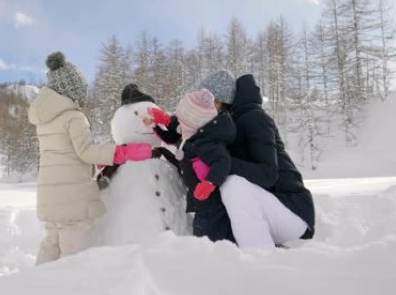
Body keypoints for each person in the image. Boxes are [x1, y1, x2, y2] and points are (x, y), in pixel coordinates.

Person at [28, 52, 153, 264]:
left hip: (50, 196)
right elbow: (85, 151)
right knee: (73, 254)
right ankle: (70, 293)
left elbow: (65, 154)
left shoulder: (45, 120)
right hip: (72, 199)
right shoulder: (73, 117)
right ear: (72, 89)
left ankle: (35, 287)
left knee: (51, 244)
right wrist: (121, 153)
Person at [223, 74, 315, 248]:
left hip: (293, 210)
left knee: (233, 184)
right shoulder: (234, 123)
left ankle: (262, 261)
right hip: (274, 208)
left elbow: (268, 174)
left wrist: (224, 162)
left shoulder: (255, 118)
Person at [150, 70, 237, 242]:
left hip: (210, 203)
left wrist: (210, 182)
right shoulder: (197, 127)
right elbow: (181, 130)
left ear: (223, 105)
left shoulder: (209, 136)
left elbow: (222, 161)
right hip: (200, 200)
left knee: (206, 243)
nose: (209, 103)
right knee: (207, 240)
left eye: (216, 101)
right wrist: (161, 126)